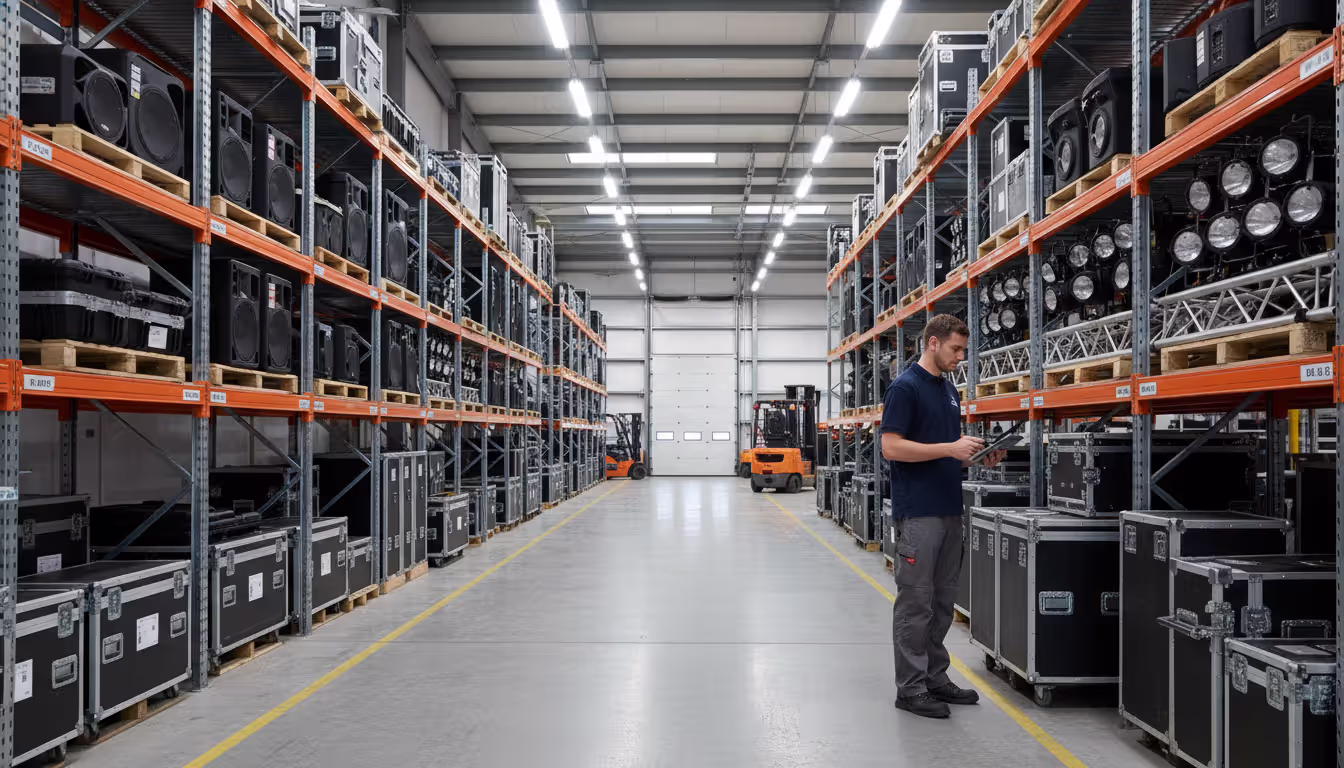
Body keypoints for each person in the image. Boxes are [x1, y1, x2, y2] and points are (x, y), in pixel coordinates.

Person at [880, 314, 1003, 718]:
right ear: (932, 343)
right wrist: (950, 449)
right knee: (915, 603)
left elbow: (946, 450)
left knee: (943, 603)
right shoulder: (905, 388)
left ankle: (935, 677)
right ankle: (910, 689)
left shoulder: (949, 390)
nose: (960, 356)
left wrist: (977, 456)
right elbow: (892, 448)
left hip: (950, 508)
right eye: (955, 349)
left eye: (963, 350)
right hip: (919, 513)